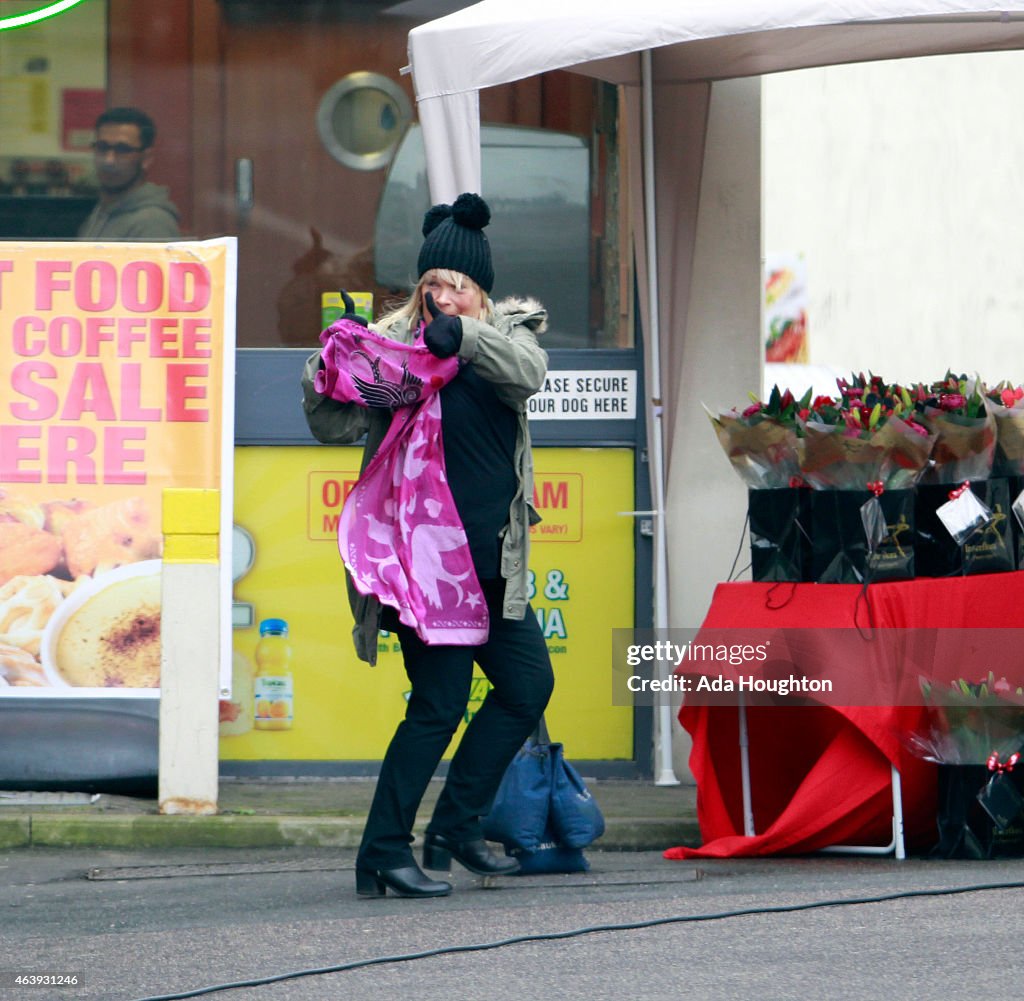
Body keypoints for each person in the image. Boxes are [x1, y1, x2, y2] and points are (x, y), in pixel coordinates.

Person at [301, 192, 554, 899]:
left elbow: (529, 375)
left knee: (527, 686)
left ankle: (454, 826)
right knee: (438, 706)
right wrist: (326, 371)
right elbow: (333, 424)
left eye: (457, 285)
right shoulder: (395, 345)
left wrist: (465, 339)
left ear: (480, 291)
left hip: (493, 563)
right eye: (432, 284)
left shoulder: (510, 332)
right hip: (425, 569)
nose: (442, 296)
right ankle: (382, 850)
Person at [78, 107, 181, 240]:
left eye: (122, 150)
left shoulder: (152, 222)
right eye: (102, 147)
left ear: (146, 159)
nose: (109, 160)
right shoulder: (101, 211)